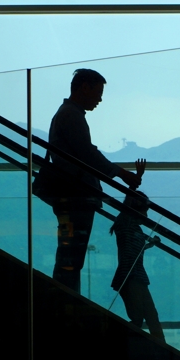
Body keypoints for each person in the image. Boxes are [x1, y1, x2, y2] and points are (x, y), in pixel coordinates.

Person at [47, 69, 141, 293]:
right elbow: (87, 154)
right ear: (84, 88)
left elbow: (84, 153)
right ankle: (65, 301)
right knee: (71, 258)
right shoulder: (71, 115)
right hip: (76, 197)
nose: (100, 99)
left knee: (70, 257)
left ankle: (66, 299)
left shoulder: (67, 113)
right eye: (98, 92)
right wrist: (120, 172)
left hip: (71, 196)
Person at [109, 169, 164, 341]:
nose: (146, 215)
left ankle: (161, 350)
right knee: (139, 318)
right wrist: (136, 180)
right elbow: (127, 203)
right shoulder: (125, 223)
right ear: (136, 209)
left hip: (137, 277)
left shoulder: (133, 228)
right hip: (130, 276)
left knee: (150, 317)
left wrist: (150, 244)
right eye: (144, 210)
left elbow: (133, 249)